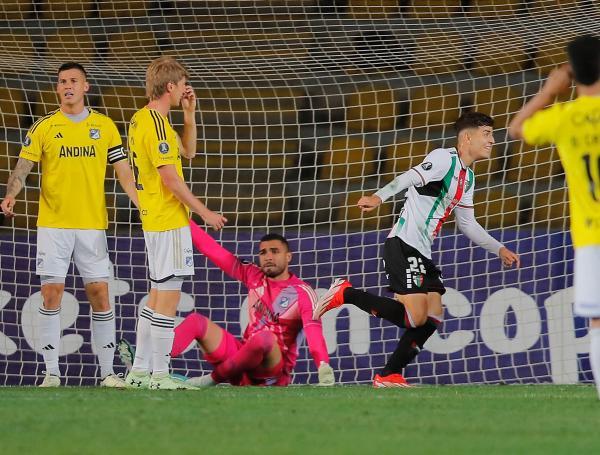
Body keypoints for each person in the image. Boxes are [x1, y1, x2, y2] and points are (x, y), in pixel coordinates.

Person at [313, 111, 520, 387]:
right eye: (487, 134)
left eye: (492, 134)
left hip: (422, 252)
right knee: (415, 317)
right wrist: (378, 196)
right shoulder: (443, 158)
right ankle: (346, 294)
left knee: (432, 316)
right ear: (467, 137)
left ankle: (389, 374)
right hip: (404, 244)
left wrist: (499, 248)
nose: (492, 140)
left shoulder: (467, 177)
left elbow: (467, 223)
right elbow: (409, 177)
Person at [0, 62, 139, 387]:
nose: (67, 85)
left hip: (92, 226)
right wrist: (10, 195)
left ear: (86, 87)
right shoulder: (44, 127)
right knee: (51, 293)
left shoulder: (105, 127)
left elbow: (123, 172)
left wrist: (141, 203)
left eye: (74, 80)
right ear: (58, 88)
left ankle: (108, 373)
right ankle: (51, 373)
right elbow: (22, 168)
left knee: (100, 294)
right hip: (53, 225)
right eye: (62, 81)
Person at [124, 56, 227, 390]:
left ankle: (139, 372)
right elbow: (171, 179)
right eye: (183, 84)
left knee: (156, 297)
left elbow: (188, 152)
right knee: (168, 300)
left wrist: (189, 114)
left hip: (155, 219)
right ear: (170, 86)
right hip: (168, 220)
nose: (187, 88)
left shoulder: (144, 119)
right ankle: (159, 375)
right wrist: (204, 213)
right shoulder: (154, 124)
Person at [509, 34, 600, 398]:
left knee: (598, 320)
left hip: (591, 236)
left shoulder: (565, 117)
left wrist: (549, 92)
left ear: (573, 75)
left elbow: (516, 129)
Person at [165, 220, 334, 387]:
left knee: (265, 338)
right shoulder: (253, 275)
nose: (268, 256)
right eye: (263, 252)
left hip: (272, 372)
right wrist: (182, 218)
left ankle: (210, 380)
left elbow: (314, 332)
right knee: (196, 322)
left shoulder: (302, 292)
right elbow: (212, 250)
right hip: (241, 363)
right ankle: (152, 366)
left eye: (275, 251)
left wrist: (323, 365)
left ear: (288, 256)